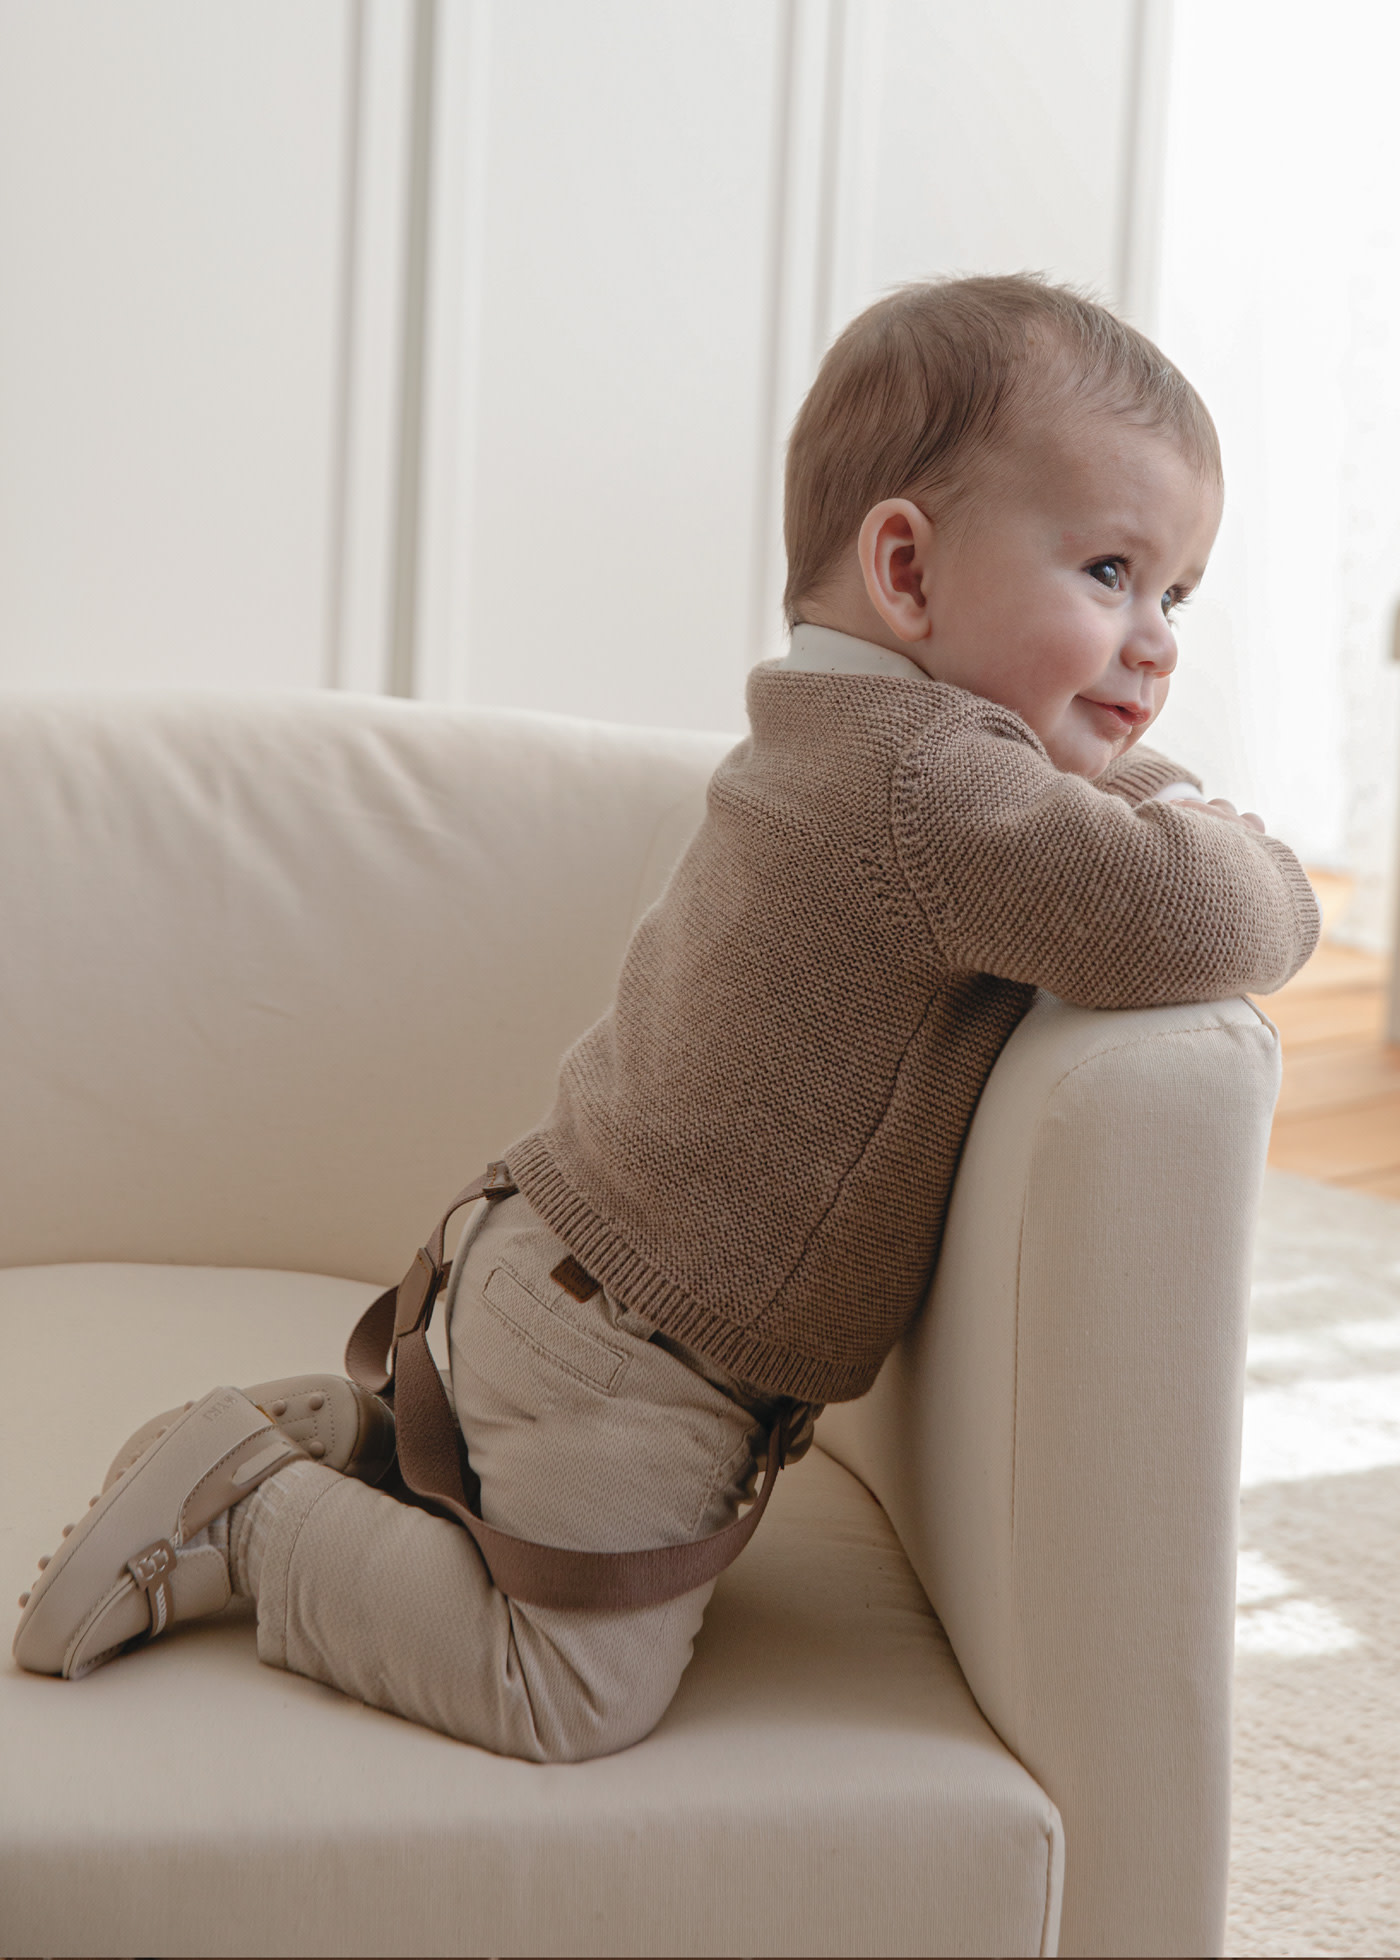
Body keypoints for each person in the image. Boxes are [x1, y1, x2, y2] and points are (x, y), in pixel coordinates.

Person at [13, 274, 1319, 1758]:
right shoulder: (933, 791)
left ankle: (355, 1446)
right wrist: (1230, 830)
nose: (1155, 643)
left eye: (1179, 596)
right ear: (907, 569)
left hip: (550, 1273)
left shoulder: (840, 734)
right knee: (560, 1691)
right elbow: (1198, 914)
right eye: (1109, 572)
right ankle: (256, 1518)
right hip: (629, 1360)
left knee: (528, 1537)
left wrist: (1113, 762)